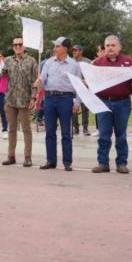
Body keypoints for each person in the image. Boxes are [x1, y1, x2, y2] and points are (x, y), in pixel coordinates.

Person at [90, 35, 132, 174]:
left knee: (121, 134)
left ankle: (122, 163)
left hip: (122, 102)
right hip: (103, 102)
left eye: (113, 45)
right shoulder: (97, 63)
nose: (110, 48)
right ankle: (103, 163)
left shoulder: (129, 62)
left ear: (119, 47)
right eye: (107, 46)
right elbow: (91, 83)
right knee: (104, 135)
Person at [36, 37, 82, 171]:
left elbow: (78, 85)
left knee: (66, 132)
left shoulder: (74, 65)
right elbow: (43, 78)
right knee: (49, 131)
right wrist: (38, 82)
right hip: (49, 98)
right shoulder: (49, 62)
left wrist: (77, 102)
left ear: (65, 48)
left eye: (57, 46)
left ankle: (67, 162)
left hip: (66, 99)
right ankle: (50, 160)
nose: (55, 49)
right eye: (54, 46)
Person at [0, 36, 39, 167]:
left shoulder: (31, 61)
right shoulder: (8, 60)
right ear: (13, 47)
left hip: (25, 100)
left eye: (20, 44)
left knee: (26, 129)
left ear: (24, 46)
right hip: (10, 99)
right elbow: (1, 75)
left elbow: (35, 82)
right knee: (11, 129)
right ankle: (11, 156)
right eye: (15, 45)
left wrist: (33, 98)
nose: (17, 47)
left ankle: (28, 157)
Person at [71, 44, 91, 136]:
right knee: (74, 109)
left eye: (76, 50)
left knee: (85, 109)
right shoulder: (70, 62)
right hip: (73, 90)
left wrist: (85, 82)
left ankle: (85, 128)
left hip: (85, 89)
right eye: (73, 51)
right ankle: (75, 127)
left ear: (81, 51)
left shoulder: (87, 62)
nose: (74, 52)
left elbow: (91, 76)